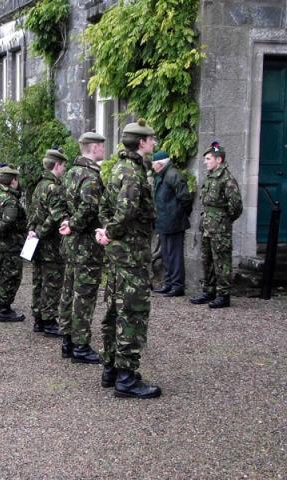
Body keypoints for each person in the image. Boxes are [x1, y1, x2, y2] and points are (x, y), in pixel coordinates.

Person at [96, 118, 161, 399]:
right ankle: (126, 378)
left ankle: (111, 368)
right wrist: (110, 232)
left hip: (119, 253)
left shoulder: (118, 169)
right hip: (131, 254)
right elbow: (126, 211)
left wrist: (106, 232)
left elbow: (105, 206)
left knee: (114, 308)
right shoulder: (132, 173)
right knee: (131, 312)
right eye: (151, 139)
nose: (154, 143)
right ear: (142, 143)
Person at [59, 132, 106, 364]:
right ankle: (80, 345)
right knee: (83, 296)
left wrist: (68, 223)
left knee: (69, 292)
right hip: (86, 244)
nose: (104, 150)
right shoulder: (90, 177)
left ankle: (67, 340)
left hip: (71, 244)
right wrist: (74, 225)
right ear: (95, 148)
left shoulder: (70, 173)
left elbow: (62, 204)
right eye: (102, 146)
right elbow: (89, 209)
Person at [190, 142, 243, 308]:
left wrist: (224, 221)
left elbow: (236, 206)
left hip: (220, 229)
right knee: (208, 261)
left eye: (208, 158)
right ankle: (209, 290)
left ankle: (223, 295)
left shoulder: (227, 179)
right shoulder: (210, 177)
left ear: (218, 159)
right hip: (208, 227)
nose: (205, 162)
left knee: (222, 262)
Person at [28, 149, 68, 336]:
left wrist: (32, 231)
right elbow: (54, 217)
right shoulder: (54, 188)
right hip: (49, 243)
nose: (64, 169)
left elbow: (34, 212)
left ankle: (38, 318)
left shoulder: (39, 186)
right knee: (52, 281)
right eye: (63, 165)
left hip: (37, 241)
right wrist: (40, 234)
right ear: (57, 165)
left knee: (38, 280)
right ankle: (49, 320)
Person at [0, 166, 26, 322]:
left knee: (0, 275)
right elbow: (7, 222)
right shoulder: (9, 199)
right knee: (11, 277)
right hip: (10, 244)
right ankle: (4, 309)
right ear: (13, 180)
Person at [151, 151, 192, 297]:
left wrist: (179, 215)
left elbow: (185, 198)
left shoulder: (173, 175)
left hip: (174, 222)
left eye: (153, 163)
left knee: (175, 255)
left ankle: (177, 286)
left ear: (160, 163)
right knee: (167, 255)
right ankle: (168, 284)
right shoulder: (161, 175)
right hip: (164, 222)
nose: (152, 166)